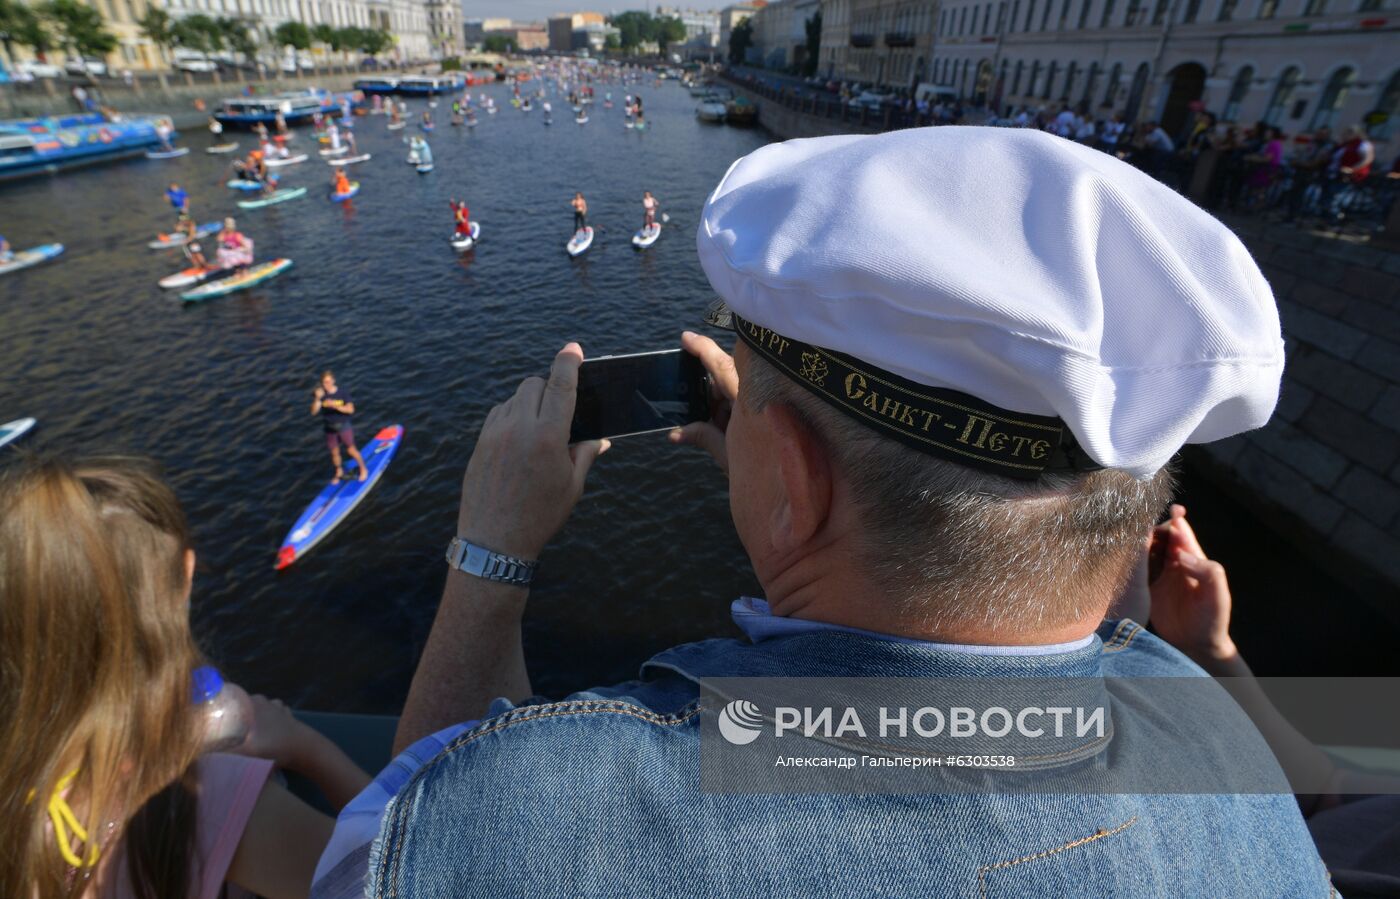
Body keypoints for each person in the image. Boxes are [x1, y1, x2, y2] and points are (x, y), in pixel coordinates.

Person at [310, 128, 1333, 897]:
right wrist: (776, 466)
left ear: (796, 481)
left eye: (745, 384)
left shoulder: (517, 816)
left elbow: (405, 830)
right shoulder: (1224, 748)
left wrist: (490, 551)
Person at [0, 457, 371, 899]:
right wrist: (307, 747)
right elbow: (410, 880)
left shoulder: (18, 787)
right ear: (187, 574)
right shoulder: (204, 800)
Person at [311, 370, 367, 483]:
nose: (327, 385)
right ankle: (339, 471)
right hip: (329, 429)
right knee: (334, 453)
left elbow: (351, 410)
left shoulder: (342, 393)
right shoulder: (321, 395)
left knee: (351, 450)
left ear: (333, 380)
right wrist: (317, 399)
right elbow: (313, 412)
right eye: (324, 383)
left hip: (343, 427)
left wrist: (335, 406)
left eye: (329, 382)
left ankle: (363, 468)